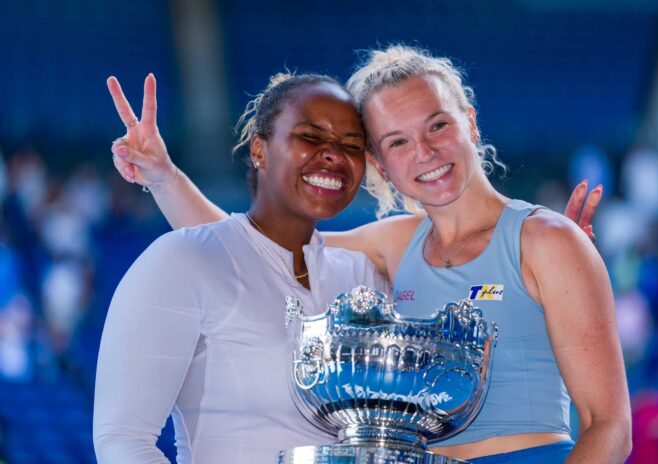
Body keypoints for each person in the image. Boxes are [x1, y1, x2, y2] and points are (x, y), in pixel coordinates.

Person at [105, 46, 623, 463]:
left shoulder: (547, 240)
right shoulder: (395, 245)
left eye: (437, 126)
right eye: (398, 142)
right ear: (380, 163)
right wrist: (163, 177)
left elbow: (610, 428)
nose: (424, 153)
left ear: (469, 121)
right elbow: (247, 249)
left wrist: (565, 253)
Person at [93, 73, 391, 462]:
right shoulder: (182, 258)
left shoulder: (365, 279)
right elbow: (122, 439)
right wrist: (166, 179)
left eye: (351, 145)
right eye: (310, 136)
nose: (334, 154)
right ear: (259, 150)